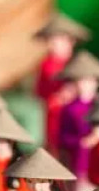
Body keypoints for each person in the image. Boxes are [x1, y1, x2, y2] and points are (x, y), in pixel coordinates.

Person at [57, 50, 99, 191]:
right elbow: (62, 138)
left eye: (89, 80)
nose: (84, 85)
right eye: (81, 80)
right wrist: (83, 142)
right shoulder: (69, 108)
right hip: (82, 162)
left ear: (97, 82)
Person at [33, 13, 91, 154]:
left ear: (71, 41)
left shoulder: (79, 64)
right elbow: (41, 94)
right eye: (50, 40)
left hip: (79, 117)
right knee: (57, 150)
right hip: (56, 118)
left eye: (57, 40)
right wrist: (60, 96)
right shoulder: (46, 65)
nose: (52, 45)